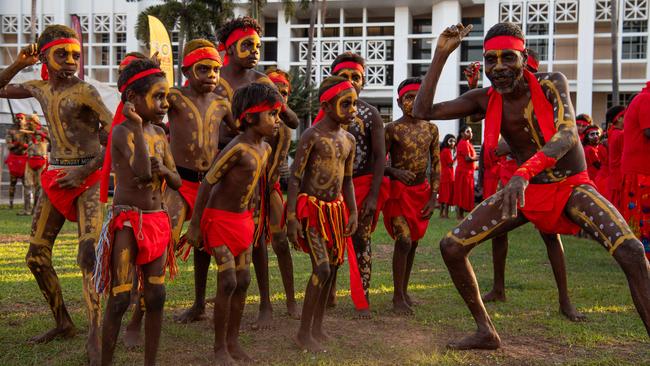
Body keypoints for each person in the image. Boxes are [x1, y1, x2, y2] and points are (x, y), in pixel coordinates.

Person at [413, 22, 650, 350]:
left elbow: (567, 134)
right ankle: (486, 331)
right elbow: (422, 110)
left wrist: (522, 173)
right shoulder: (484, 99)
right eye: (491, 60)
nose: (499, 68)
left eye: (508, 58)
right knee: (451, 246)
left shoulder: (552, 83)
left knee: (633, 252)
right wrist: (440, 55)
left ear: (524, 58)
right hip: (526, 191)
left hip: (570, 186)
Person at [176, 17, 298, 330]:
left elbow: (292, 121)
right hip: (219, 169)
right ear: (229, 47)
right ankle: (200, 303)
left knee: (259, 238)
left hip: (258, 171)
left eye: (258, 45)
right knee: (205, 237)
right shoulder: (212, 78)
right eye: (247, 45)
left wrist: (274, 105)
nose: (254, 51)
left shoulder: (261, 80)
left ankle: (267, 305)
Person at [0, 25, 112, 362]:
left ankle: (95, 332)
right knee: (35, 257)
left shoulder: (87, 92)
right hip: (55, 178)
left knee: (88, 257)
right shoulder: (38, 87)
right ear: (45, 56)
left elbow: (113, 135)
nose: (70, 61)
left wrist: (85, 169)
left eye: (76, 55)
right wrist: (19, 64)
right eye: (62, 54)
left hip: (87, 181)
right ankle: (63, 322)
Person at [183, 83, 279, 364]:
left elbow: (257, 188)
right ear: (250, 117)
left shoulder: (265, 149)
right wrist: (196, 225)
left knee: (244, 280)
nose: (276, 120)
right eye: (270, 114)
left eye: (276, 114)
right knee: (227, 281)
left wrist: (260, 218)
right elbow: (207, 183)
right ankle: (219, 349)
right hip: (219, 221)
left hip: (243, 222)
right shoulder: (237, 148)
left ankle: (233, 342)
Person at [95, 59, 181, 366]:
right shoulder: (122, 132)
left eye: (166, 97)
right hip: (129, 223)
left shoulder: (159, 133)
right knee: (119, 298)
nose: (164, 104)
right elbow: (144, 174)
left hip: (157, 221)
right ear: (132, 99)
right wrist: (133, 124)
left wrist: (167, 173)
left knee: (156, 296)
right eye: (157, 97)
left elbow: (176, 178)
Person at [287, 76, 359, 352]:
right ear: (327, 106)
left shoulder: (349, 139)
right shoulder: (312, 135)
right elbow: (295, 178)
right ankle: (303, 333)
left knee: (329, 270)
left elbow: (349, 179)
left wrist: (351, 211)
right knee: (322, 268)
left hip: (336, 210)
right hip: (312, 210)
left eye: (354, 103)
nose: (352, 109)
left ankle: (316, 327)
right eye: (346, 104)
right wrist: (292, 217)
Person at [326, 52, 387, 317]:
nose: (350, 81)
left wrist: (373, 196)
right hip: (331, 188)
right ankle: (327, 292)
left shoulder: (370, 114)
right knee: (331, 241)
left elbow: (378, 157)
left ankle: (363, 296)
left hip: (361, 187)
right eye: (344, 76)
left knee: (361, 240)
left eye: (355, 77)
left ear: (363, 81)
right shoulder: (326, 112)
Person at [383, 78, 440, 315]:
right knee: (404, 240)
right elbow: (379, 163)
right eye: (409, 97)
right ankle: (397, 296)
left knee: (414, 242)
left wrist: (434, 195)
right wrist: (394, 171)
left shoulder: (431, 129)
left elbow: (436, 164)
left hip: (421, 192)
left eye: (418, 96)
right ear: (399, 101)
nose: (414, 101)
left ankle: (404, 291)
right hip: (397, 193)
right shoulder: (392, 129)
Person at [255, 67, 300, 319]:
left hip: (269, 186)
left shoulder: (284, 127)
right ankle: (265, 302)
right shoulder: (252, 120)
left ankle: (291, 300)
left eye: (284, 93)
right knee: (256, 244)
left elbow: (277, 166)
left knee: (281, 240)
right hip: (248, 188)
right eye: (276, 92)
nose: (281, 97)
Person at [621, 84, 650, 261]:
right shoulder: (647, 99)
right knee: (643, 224)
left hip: (643, 171)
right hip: (641, 174)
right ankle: (640, 261)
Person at [23, 114, 49, 214]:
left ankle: (36, 208)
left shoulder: (44, 129)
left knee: (39, 186)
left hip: (41, 160)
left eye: (30, 121)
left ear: (35, 121)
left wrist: (43, 135)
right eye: (28, 121)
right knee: (27, 184)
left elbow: (51, 140)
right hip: (30, 160)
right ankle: (27, 209)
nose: (28, 123)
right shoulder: (26, 131)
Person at [4, 113, 30, 212]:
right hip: (14, 159)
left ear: (24, 119)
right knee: (13, 183)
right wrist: (16, 143)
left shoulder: (28, 131)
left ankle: (27, 206)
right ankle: (11, 204)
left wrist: (26, 145)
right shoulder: (11, 131)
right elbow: (9, 145)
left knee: (26, 183)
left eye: (21, 118)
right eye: (18, 118)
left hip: (25, 159)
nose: (19, 120)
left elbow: (33, 144)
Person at [453, 125, 478, 219]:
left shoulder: (467, 143)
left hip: (468, 173)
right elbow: (467, 159)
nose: (471, 133)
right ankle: (459, 215)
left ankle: (461, 215)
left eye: (471, 131)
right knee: (461, 193)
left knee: (465, 193)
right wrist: (478, 158)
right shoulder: (463, 143)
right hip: (463, 173)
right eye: (468, 131)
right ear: (462, 134)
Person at [607, 106, 626, 212]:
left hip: (613, 176)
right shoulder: (621, 134)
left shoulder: (612, 132)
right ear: (619, 118)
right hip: (619, 177)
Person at [439, 134, 456, 218]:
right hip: (448, 175)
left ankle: (441, 213)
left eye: (454, 141)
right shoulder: (447, 151)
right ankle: (445, 214)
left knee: (443, 195)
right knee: (447, 195)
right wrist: (456, 156)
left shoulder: (442, 150)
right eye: (451, 141)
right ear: (447, 141)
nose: (453, 143)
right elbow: (450, 164)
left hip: (443, 174)